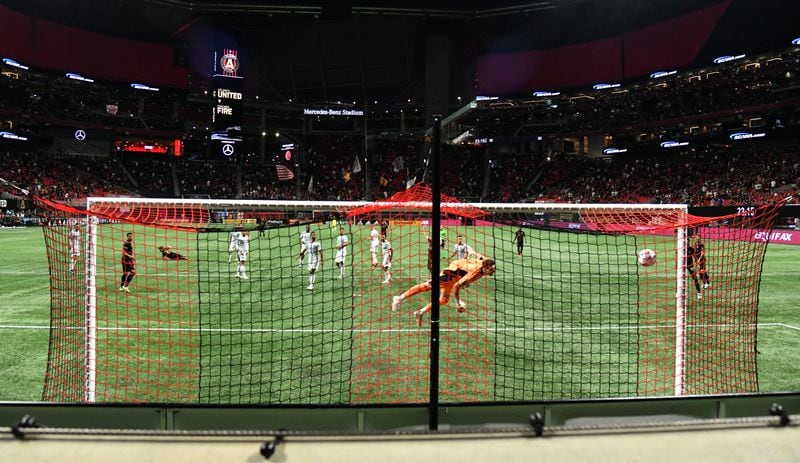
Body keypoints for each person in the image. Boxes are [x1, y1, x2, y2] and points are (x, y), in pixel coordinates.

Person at [392, 257, 496, 327]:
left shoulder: (484, 264)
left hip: (456, 276)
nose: (493, 271)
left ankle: (420, 313)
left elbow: (480, 257)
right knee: (427, 286)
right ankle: (399, 298)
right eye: (492, 269)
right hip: (450, 274)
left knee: (444, 300)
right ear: (485, 268)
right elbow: (457, 286)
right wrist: (458, 302)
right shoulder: (474, 273)